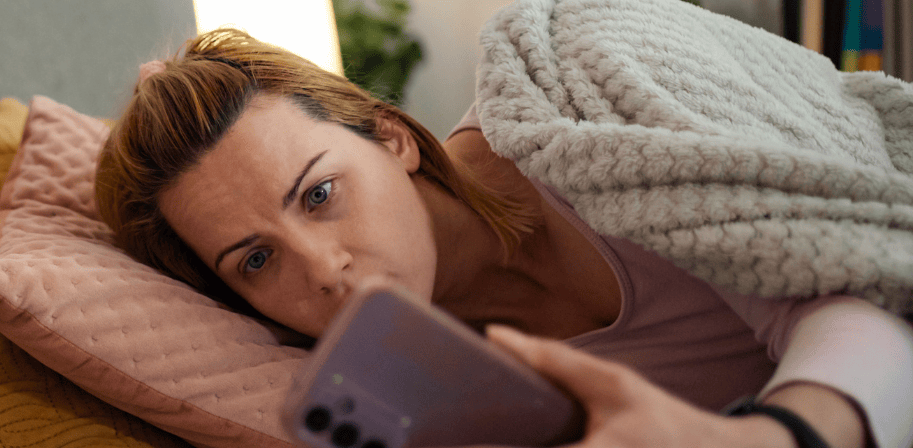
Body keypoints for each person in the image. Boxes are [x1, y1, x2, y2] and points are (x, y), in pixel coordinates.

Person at [94, 29, 913, 448]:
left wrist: (777, 437)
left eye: (319, 193)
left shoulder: (587, 115)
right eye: (257, 260)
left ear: (391, 138)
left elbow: (854, 274)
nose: (325, 267)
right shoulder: (431, 395)